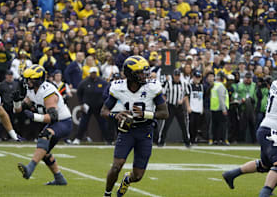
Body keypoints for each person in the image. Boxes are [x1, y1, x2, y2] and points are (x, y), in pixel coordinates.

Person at [222, 62, 277, 197]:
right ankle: (265, 193)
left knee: (264, 165)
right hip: (272, 132)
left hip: (266, 129)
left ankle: (232, 174)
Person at [100, 55, 168, 197]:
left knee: (137, 176)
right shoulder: (118, 87)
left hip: (145, 131)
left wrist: (145, 114)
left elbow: (164, 113)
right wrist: (115, 115)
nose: (145, 75)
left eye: (145, 72)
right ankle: (107, 194)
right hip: (127, 130)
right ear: (131, 74)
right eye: (140, 73)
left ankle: (127, 180)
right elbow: (104, 111)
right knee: (116, 165)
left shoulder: (152, 87)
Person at [14, 64, 72, 185]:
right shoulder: (31, 90)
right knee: (44, 151)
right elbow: (18, 110)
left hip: (63, 122)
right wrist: (16, 102)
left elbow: (53, 117)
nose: (27, 81)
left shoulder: (47, 91)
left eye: (30, 79)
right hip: (55, 123)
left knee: (44, 135)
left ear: (38, 79)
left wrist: (34, 116)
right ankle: (59, 178)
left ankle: (30, 168)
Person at [73, 67, 109, 145]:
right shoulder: (84, 82)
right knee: (83, 123)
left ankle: (107, 140)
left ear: (97, 73)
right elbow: (79, 93)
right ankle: (78, 139)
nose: (93, 74)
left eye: (95, 73)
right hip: (87, 107)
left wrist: (105, 104)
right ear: (90, 73)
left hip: (99, 107)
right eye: (92, 73)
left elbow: (107, 92)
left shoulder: (102, 82)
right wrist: (81, 103)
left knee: (103, 123)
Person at [158, 69, 190, 147]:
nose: (177, 77)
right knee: (166, 124)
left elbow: (186, 94)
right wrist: (165, 103)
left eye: (178, 75)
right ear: (173, 75)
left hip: (179, 107)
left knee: (183, 125)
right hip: (170, 106)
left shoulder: (184, 83)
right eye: (176, 75)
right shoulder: (168, 83)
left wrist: (182, 101)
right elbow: (163, 94)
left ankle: (187, 142)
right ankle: (161, 141)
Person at [0, 70, 19, 140]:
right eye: (9, 75)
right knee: (3, 121)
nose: (10, 77)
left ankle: (11, 136)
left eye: (11, 75)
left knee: (13, 121)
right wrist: (0, 103)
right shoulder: (2, 84)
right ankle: (2, 136)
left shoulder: (16, 84)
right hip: (5, 105)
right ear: (6, 76)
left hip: (13, 105)